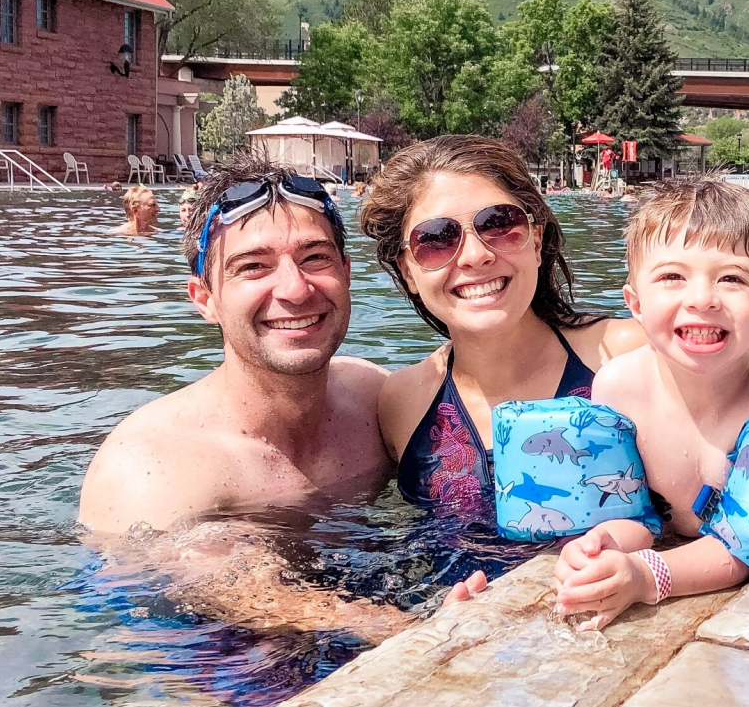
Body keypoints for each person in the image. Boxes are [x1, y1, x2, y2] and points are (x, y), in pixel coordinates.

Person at [359, 136, 749, 520]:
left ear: (537, 238)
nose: (476, 255)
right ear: (407, 270)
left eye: (499, 225)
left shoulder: (620, 351)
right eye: (436, 238)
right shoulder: (403, 401)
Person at [79, 155, 484, 640]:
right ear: (204, 298)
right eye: (253, 267)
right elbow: (196, 599)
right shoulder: (150, 466)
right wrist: (409, 630)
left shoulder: (374, 396)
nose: (294, 288)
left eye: (315, 258)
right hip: (212, 658)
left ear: (347, 273)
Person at [552, 179, 749, 629]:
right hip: (678, 523)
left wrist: (647, 576)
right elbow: (638, 513)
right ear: (636, 306)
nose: (701, 299)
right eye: (672, 277)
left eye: (732, 278)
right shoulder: (618, 388)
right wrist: (601, 544)